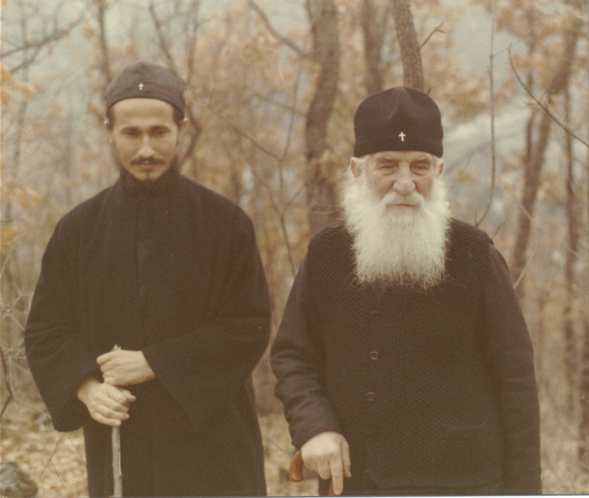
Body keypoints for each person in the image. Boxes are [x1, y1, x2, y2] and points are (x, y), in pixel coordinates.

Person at [271, 87, 541, 496]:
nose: (404, 183)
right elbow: (293, 355)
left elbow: (516, 385)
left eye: (420, 166)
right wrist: (314, 426)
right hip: (356, 485)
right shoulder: (326, 254)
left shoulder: (476, 256)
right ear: (356, 170)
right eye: (387, 166)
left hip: (463, 486)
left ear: (439, 171)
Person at [24, 61, 271, 497]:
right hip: (123, 444)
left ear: (182, 128)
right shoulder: (77, 230)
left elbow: (247, 326)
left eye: (159, 132)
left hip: (216, 448)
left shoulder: (225, 223)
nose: (146, 149)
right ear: (109, 131)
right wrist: (87, 388)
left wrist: (155, 363)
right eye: (131, 134)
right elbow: (47, 329)